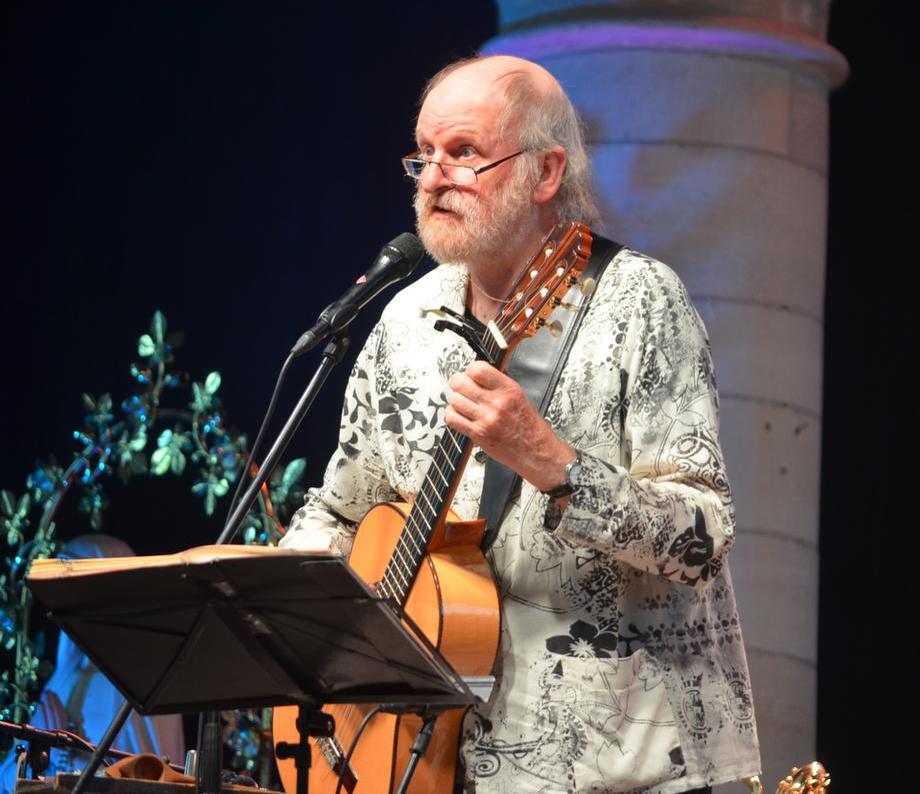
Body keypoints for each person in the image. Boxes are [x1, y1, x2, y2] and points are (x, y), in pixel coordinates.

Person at [280, 54, 761, 793]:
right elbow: (342, 510)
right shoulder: (405, 322)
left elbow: (703, 539)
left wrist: (554, 465)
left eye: (464, 152)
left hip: (620, 769)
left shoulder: (638, 302)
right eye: (424, 155)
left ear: (545, 173)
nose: (435, 176)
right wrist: (270, 606)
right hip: (439, 762)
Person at [0, 535, 185, 794]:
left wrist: (64, 749)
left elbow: (157, 782)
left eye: (74, 586)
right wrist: (39, 748)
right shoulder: (64, 680)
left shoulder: (143, 682)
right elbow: (5, 783)